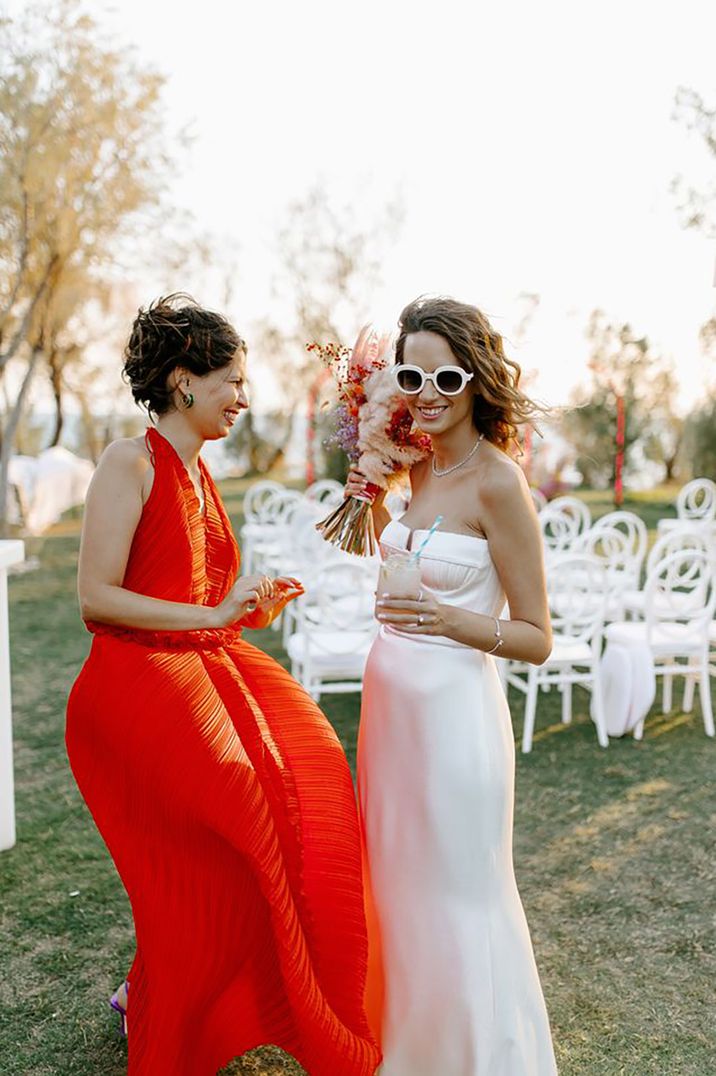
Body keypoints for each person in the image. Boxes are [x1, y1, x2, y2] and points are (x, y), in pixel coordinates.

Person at [66, 294, 380, 1076]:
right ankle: (169, 1005)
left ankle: (162, 991)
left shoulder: (203, 475)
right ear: (182, 380)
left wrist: (246, 607)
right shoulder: (127, 462)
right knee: (242, 818)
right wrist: (212, 611)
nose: (243, 399)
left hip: (196, 665)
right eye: (232, 382)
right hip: (134, 680)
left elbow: (196, 601)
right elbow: (95, 597)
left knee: (307, 777)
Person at [348, 296, 558, 1075]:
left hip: (454, 726)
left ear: (476, 379)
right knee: (395, 894)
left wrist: (444, 619)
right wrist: (366, 481)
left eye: (444, 374)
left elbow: (536, 637)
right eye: (412, 373)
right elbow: (392, 561)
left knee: (458, 899)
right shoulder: (422, 466)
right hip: (390, 717)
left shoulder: (500, 483)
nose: (427, 390)